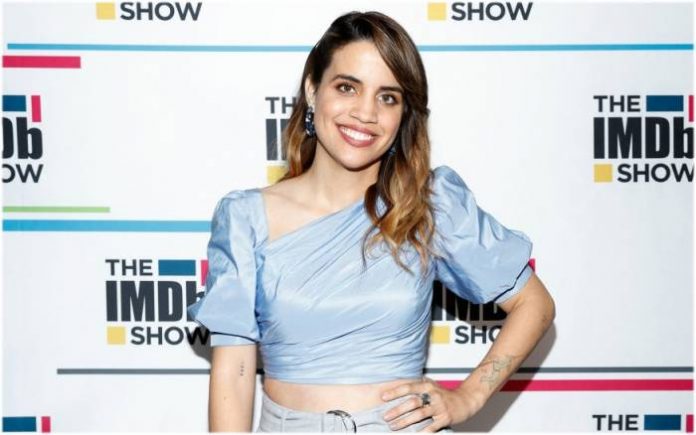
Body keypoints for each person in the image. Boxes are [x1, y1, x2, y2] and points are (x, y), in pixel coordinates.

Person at [188, 10, 555, 433]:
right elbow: (234, 372)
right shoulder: (246, 219)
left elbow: (534, 305)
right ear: (312, 90)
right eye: (348, 87)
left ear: (404, 113)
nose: (366, 113)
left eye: (388, 97)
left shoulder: (428, 204)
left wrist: (469, 396)